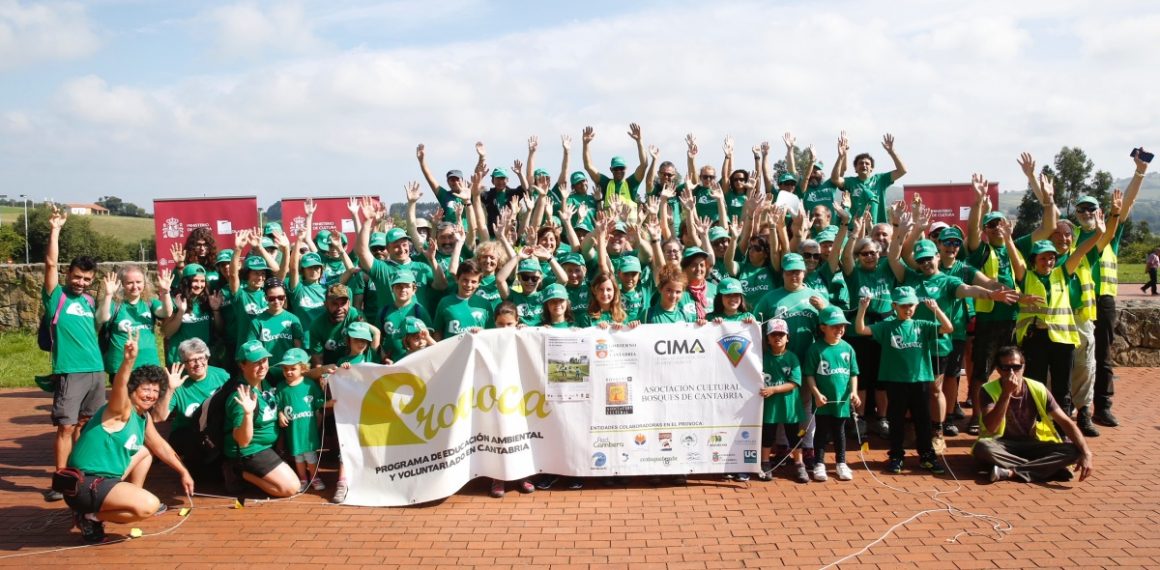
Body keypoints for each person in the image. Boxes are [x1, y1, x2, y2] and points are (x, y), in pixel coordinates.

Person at [62, 331, 195, 542]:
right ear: (133, 390)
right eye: (146, 389)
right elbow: (119, 388)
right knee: (149, 506)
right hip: (84, 484)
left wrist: (183, 472)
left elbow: (161, 446)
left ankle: (123, 498)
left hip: (105, 479)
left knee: (145, 452)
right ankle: (89, 517)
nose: (151, 395)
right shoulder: (120, 410)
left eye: (155, 391)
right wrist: (128, 361)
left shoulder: (143, 417)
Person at [1083, 149, 1150, 427]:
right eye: (1082, 210)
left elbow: (1128, 203)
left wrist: (1140, 172)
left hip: (1105, 300)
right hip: (1082, 300)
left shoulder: (1111, 234)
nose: (1087, 213)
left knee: (1104, 355)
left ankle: (1103, 406)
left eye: (1091, 209)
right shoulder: (1074, 237)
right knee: (1081, 356)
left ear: (1099, 212)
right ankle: (1081, 408)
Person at [42, 205, 104, 502]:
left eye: (87, 279)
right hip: (70, 369)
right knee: (66, 426)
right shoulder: (57, 296)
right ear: (69, 274)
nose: (81, 282)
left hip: (96, 370)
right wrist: (56, 229)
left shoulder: (90, 301)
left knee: (86, 424)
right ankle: (60, 480)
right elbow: (50, 264)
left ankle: (79, 472)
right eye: (77, 277)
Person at [855, 288, 952, 475]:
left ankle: (927, 456)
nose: (907, 309)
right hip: (895, 380)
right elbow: (861, 329)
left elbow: (948, 328)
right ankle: (896, 455)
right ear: (894, 306)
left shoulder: (922, 324)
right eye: (903, 305)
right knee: (896, 419)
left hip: (920, 379)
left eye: (911, 305)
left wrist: (936, 310)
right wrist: (863, 308)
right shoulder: (887, 326)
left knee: (922, 419)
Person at [973, 346, 1094, 483]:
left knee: (1074, 450)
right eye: (1006, 368)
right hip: (1002, 445)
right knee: (982, 448)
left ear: (1023, 367)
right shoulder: (987, 390)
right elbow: (991, 427)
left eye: (1017, 367)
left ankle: (1012, 473)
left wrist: (1087, 453)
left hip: (1030, 443)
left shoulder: (1037, 388)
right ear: (999, 370)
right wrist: (1006, 394)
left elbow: (1065, 422)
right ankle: (1047, 468)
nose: (1012, 372)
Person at [224, 340, 299, 498]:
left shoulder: (264, 379)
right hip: (250, 451)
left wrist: (327, 371)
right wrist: (248, 414)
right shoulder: (240, 397)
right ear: (242, 365)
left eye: (264, 360)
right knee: (290, 488)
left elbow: (301, 372)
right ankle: (238, 472)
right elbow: (242, 440)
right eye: (256, 363)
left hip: (268, 446)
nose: (263, 366)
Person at [152, 338, 230, 472]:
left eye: (201, 358)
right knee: (199, 473)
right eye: (192, 360)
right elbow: (158, 418)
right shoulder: (178, 383)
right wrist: (170, 389)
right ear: (184, 363)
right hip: (189, 431)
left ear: (207, 357)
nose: (198, 363)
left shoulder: (221, 375)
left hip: (216, 429)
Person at [803, 306, 861, 482]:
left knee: (839, 432)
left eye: (842, 326)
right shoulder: (815, 349)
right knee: (821, 432)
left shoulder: (848, 348)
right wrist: (816, 394)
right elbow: (810, 375)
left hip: (841, 401)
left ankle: (841, 463)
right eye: (834, 326)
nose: (839, 329)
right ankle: (819, 463)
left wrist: (854, 393)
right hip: (822, 402)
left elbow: (853, 373)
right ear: (823, 327)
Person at [757, 319, 810, 484]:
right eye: (773, 334)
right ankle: (765, 463)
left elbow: (794, 383)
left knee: (794, 436)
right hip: (769, 408)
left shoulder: (792, 358)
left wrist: (773, 389)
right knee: (767, 436)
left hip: (789, 407)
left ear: (788, 338)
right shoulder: (761, 358)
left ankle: (799, 464)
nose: (777, 338)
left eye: (781, 334)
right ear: (767, 338)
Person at [275, 348, 326, 493]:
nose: (289, 372)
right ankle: (303, 478)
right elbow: (276, 405)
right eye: (285, 369)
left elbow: (319, 402)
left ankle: (315, 477)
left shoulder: (309, 384)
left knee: (310, 456)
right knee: (298, 457)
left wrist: (332, 402)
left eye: (293, 368)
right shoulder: (280, 387)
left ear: (303, 368)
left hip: (307, 432)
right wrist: (280, 414)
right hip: (293, 432)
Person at [831, 132, 907, 224]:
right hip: (855, 228)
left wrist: (892, 152)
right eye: (860, 163)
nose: (864, 165)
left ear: (871, 168)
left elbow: (902, 171)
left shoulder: (880, 180)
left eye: (867, 163)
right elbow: (835, 179)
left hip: (877, 229)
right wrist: (841, 156)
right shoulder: (851, 182)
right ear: (855, 169)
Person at [162, 264, 225, 369]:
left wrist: (216, 310)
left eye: (202, 281)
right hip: (180, 360)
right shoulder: (176, 301)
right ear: (186, 282)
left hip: (202, 360)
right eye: (195, 281)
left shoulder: (207, 302)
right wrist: (181, 311)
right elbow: (167, 332)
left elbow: (220, 330)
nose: (199, 285)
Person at [581, 123, 648, 214]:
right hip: (610, 227)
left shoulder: (631, 184)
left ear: (626, 168)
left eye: (621, 168)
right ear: (611, 169)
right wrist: (586, 144)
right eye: (616, 169)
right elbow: (588, 166)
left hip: (627, 227)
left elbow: (644, 164)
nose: (619, 171)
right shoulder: (605, 183)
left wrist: (639, 141)